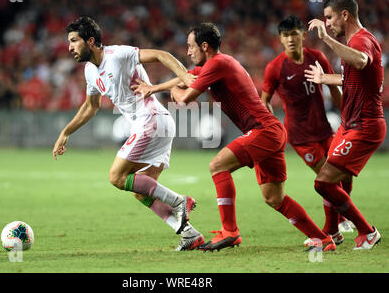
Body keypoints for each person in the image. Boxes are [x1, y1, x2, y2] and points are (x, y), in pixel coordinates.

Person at [132, 22, 336, 252]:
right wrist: (154, 87)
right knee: (273, 198)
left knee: (218, 165)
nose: (188, 52)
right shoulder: (218, 63)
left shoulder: (217, 64)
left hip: (263, 131)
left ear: (205, 46)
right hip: (270, 131)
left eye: (191, 47)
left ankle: (230, 231)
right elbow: (186, 77)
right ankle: (323, 239)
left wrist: (172, 91)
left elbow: (184, 98)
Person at [52, 16, 204, 251]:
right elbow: (91, 106)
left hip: (150, 120)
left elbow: (161, 55)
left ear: (90, 41)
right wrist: (66, 132)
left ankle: (180, 201)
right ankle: (188, 234)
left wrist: (184, 77)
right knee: (140, 190)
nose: (69, 47)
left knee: (116, 177)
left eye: (74, 41)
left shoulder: (117, 55)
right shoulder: (90, 71)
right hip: (157, 124)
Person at [260, 15, 354, 244]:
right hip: (301, 137)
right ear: (280, 39)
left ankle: (338, 223)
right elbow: (265, 100)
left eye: (294, 34)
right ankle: (333, 229)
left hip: (324, 129)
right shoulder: (275, 68)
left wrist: (346, 115)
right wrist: (272, 126)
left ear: (303, 35)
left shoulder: (317, 57)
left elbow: (332, 85)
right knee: (329, 179)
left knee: (345, 172)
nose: (290, 39)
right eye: (285, 35)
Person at [305, 0, 386, 250]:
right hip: (349, 123)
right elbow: (354, 77)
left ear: (345, 15)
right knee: (332, 177)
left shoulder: (362, 41)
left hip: (364, 125)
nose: (327, 23)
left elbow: (361, 61)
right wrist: (325, 79)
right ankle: (332, 231)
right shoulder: (355, 41)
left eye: (329, 18)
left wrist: (326, 39)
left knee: (324, 182)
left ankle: (367, 232)